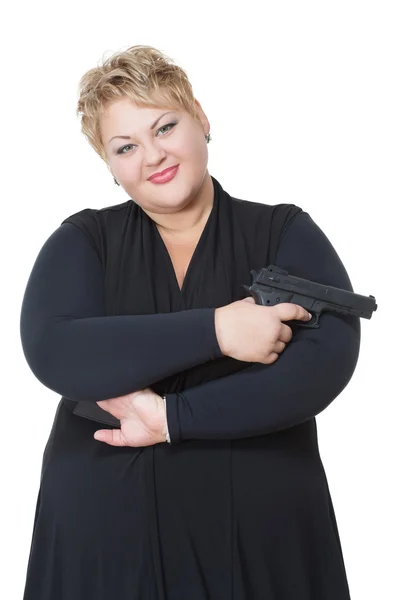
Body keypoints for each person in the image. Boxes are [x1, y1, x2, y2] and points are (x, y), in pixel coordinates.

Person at [19, 44, 360, 600]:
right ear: (110, 165)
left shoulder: (283, 230)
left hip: (261, 541)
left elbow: (325, 363)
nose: (152, 156)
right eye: (125, 146)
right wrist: (219, 331)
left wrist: (172, 417)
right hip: (107, 541)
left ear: (200, 117)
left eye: (165, 127)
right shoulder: (83, 241)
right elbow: (55, 349)